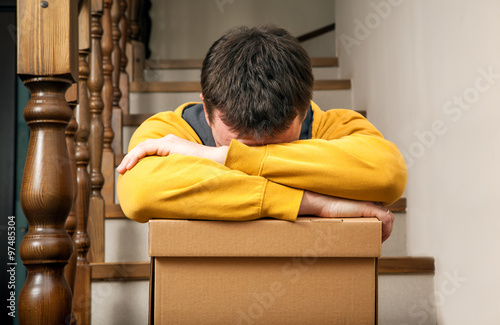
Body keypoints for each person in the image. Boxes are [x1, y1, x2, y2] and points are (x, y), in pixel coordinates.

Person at [116, 25, 407, 242]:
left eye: (276, 144)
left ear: (303, 110)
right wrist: (313, 202)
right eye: (240, 143)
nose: (253, 150)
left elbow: (389, 174)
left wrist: (217, 155)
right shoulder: (169, 131)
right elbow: (140, 193)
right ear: (206, 108)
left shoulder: (330, 125)